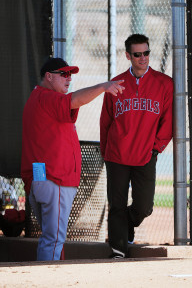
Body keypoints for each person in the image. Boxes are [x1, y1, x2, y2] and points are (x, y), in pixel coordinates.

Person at [21, 57, 124, 261]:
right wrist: (103, 86)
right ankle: (48, 279)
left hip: (43, 178)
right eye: (64, 74)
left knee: (52, 237)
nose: (68, 79)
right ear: (48, 77)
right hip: (54, 180)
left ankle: (50, 274)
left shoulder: (38, 98)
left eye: (70, 74)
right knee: (53, 239)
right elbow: (75, 100)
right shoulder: (46, 97)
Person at [100, 34, 173, 258]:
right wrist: (106, 152)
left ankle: (124, 226)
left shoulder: (164, 83)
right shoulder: (117, 83)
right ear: (128, 56)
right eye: (138, 54)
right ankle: (118, 250)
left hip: (145, 154)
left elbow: (168, 120)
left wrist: (156, 148)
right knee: (117, 204)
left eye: (146, 53)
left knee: (144, 207)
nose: (143, 58)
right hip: (117, 154)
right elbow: (106, 121)